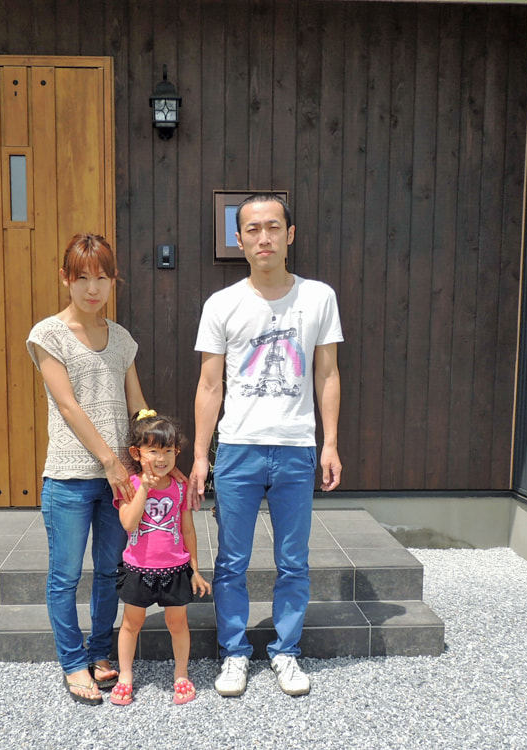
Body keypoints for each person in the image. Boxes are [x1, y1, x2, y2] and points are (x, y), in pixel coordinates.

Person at [188, 193, 343, 698]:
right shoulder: (222, 304)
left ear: (290, 235)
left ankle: (285, 651)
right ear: (239, 240)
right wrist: (200, 456)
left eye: (273, 227)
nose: (264, 238)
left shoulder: (319, 297)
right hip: (238, 448)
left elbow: (327, 374)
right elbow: (209, 385)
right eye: (252, 229)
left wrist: (330, 443)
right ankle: (234, 653)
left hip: (296, 446)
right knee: (232, 561)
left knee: (293, 560)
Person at [27, 233, 152, 706]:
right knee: (64, 575)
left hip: (117, 479)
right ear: (66, 279)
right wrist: (110, 461)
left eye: (102, 277)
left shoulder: (121, 339)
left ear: (113, 279)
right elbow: (68, 405)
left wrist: (157, 451)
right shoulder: (48, 335)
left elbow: (137, 404)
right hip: (70, 477)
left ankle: (100, 652)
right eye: (82, 278)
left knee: (109, 572)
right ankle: (73, 661)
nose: (93, 288)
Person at [109, 411, 211, 707]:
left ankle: (181, 674)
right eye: (153, 451)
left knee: (178, 623)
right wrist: (145, 488)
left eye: (168, 451)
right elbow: (129, 523)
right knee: (131, 623)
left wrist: (194, 569)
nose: (161, 458)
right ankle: (125, 675)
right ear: (136, 453)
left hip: (175, 568)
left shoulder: (180, 487)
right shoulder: (129, 485)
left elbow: (188, 530)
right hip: (138, 569)